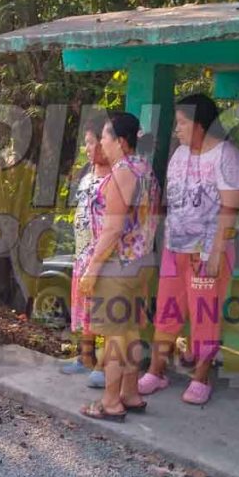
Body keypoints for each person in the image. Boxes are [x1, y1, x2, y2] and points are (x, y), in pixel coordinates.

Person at [139, 94, 239, 405]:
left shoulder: (227, 156)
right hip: (176, 248)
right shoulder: (180, 155)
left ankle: (202, 376)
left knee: (205, 315)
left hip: (207, 253)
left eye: (183, 123)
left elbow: (230, 209)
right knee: (167, 310)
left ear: (201, 125)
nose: (178, 129)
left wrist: (215, 252)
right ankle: (157, 371)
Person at [77, 112, 159, 423]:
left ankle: (110, 402)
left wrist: (93, 267)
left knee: (114, 336)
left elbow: (112, 230)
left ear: (121, 142)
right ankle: (130, 393)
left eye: (107, 137)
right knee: (131, 331)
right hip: (140, 261)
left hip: (118, 263)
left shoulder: (122, 172)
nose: (102, 142)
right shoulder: (145, 169)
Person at [64, 125, 110, 388]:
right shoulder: (86, 175)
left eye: (93, 142)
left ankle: (104, 364)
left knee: (101, 308)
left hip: (99, 254)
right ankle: (85, 356)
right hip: (81, 252)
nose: (88, 148)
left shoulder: (115, 177)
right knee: (83, 306)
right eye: (87, 143)